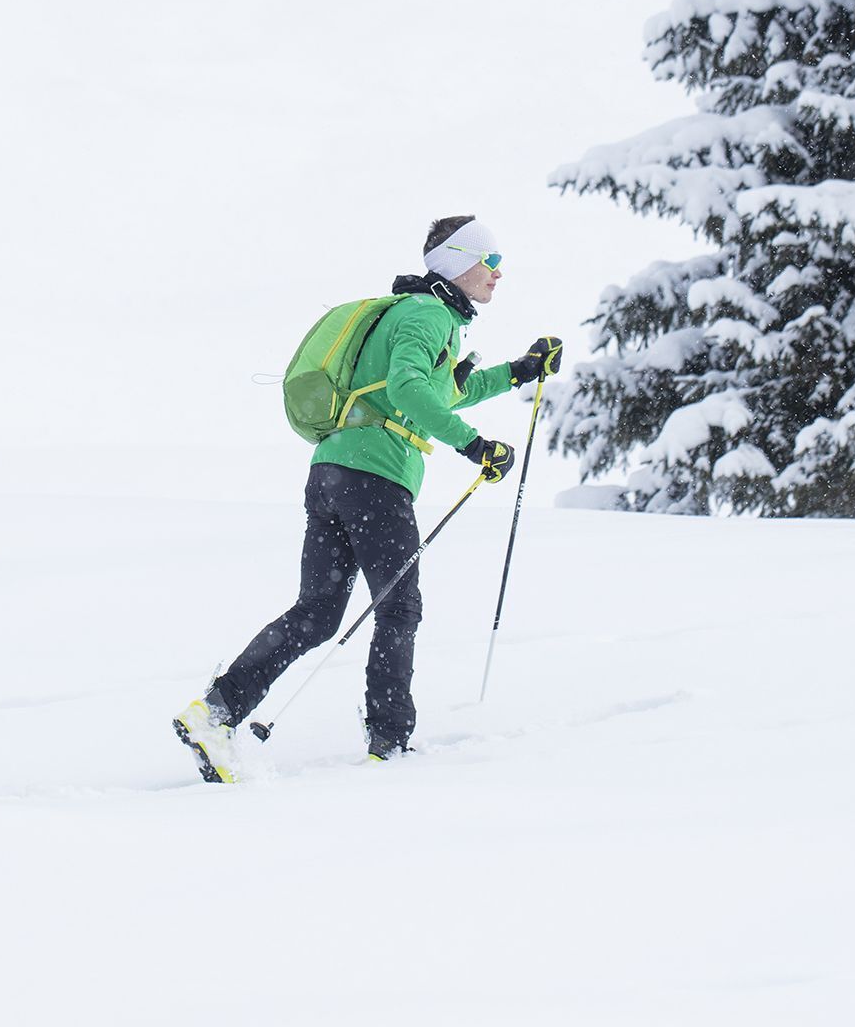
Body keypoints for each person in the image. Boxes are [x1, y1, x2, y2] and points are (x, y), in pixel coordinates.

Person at [173, 216, 563, 781]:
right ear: (459, 262)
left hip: (333, 471)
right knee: (398, 607)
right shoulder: (430, 315)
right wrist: (473, 446)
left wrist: (520, 371)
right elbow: (409, 388)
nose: (499, 274)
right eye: (492, 261)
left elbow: (445, 392)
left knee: (316, 613)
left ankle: (214, 713)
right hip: (375, 477)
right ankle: (390, 742)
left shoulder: (413, 314)